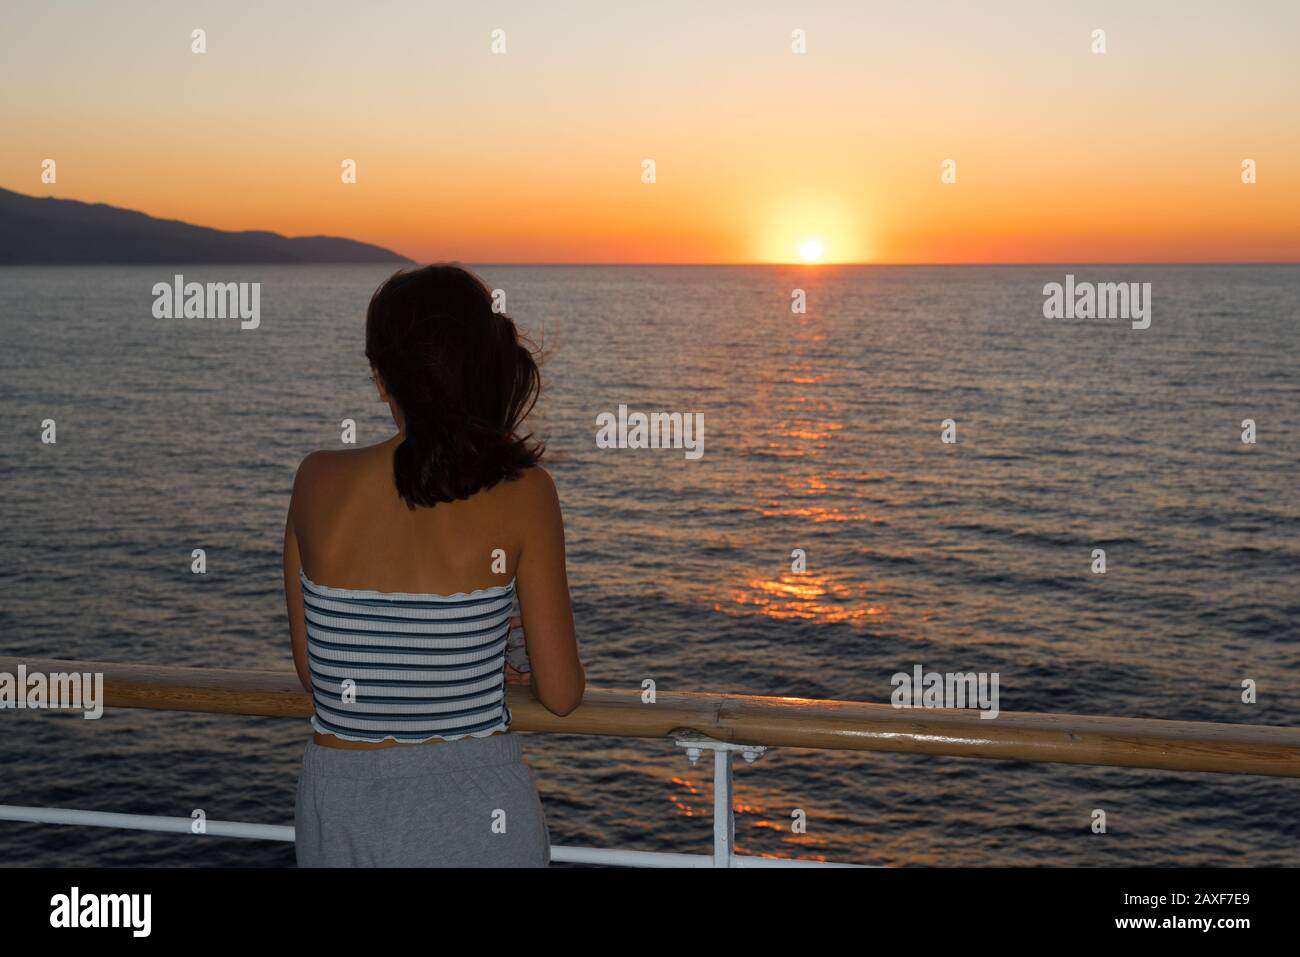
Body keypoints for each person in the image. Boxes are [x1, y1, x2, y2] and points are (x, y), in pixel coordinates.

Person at [283, 264, 584, 867]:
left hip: (342, 811)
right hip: (478, 814)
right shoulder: (524, 493)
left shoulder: (316, 481)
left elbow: (321, 676)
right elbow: (560, 694)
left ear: (380, 379)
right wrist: (484, 656)